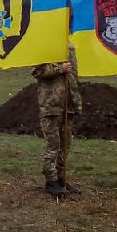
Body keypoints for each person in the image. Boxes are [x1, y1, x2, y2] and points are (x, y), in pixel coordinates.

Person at [31, 45, 82, 199]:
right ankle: (51, 179)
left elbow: (73, 76)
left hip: (68, 103)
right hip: (51, 103)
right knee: (53, 144)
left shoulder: (69, 46)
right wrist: (59, 68)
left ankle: (61, 177)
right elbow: (36, 70)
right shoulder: (46, 44)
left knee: (65, 144)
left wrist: (75, 100)